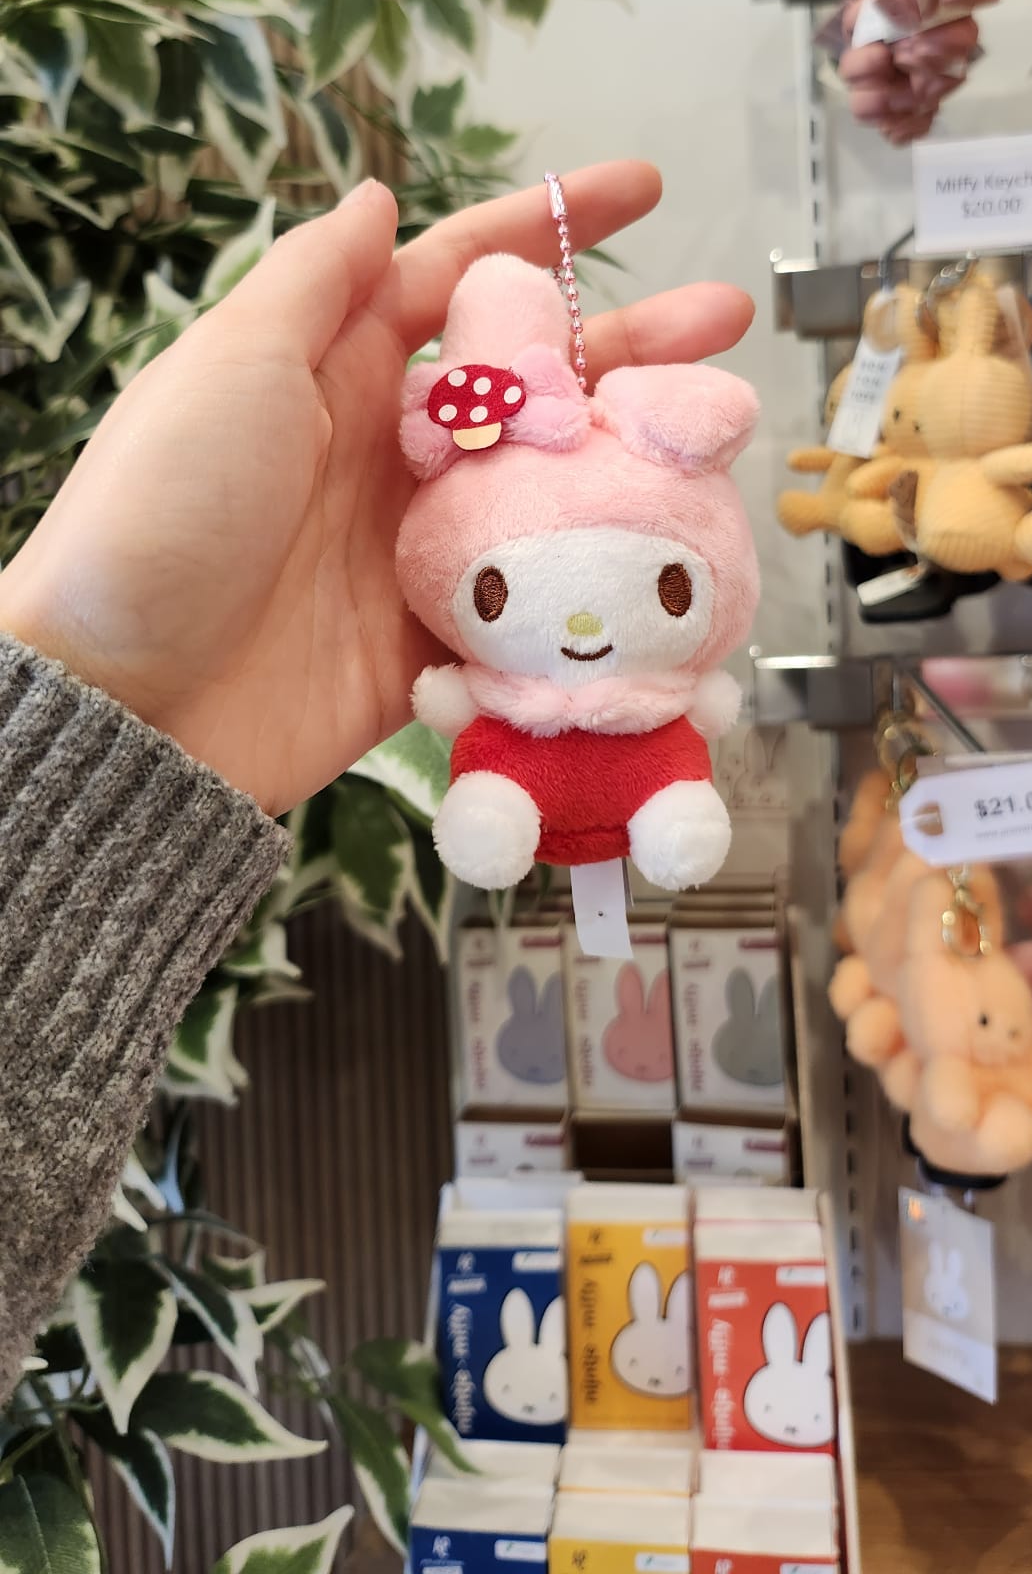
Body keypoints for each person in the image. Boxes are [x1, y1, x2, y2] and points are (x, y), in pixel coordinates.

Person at [0, 162, 754, 1405]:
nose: (571, 625)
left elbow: (699, 695)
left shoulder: (658, 675)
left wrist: (99, 682)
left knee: (662, 790)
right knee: (506, 796)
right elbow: (457, 695)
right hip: (506, 758)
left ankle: (633, 808)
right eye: (496, 593)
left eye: (672, 590)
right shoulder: (454, 611)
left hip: (647, 754)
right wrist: (99, 675)